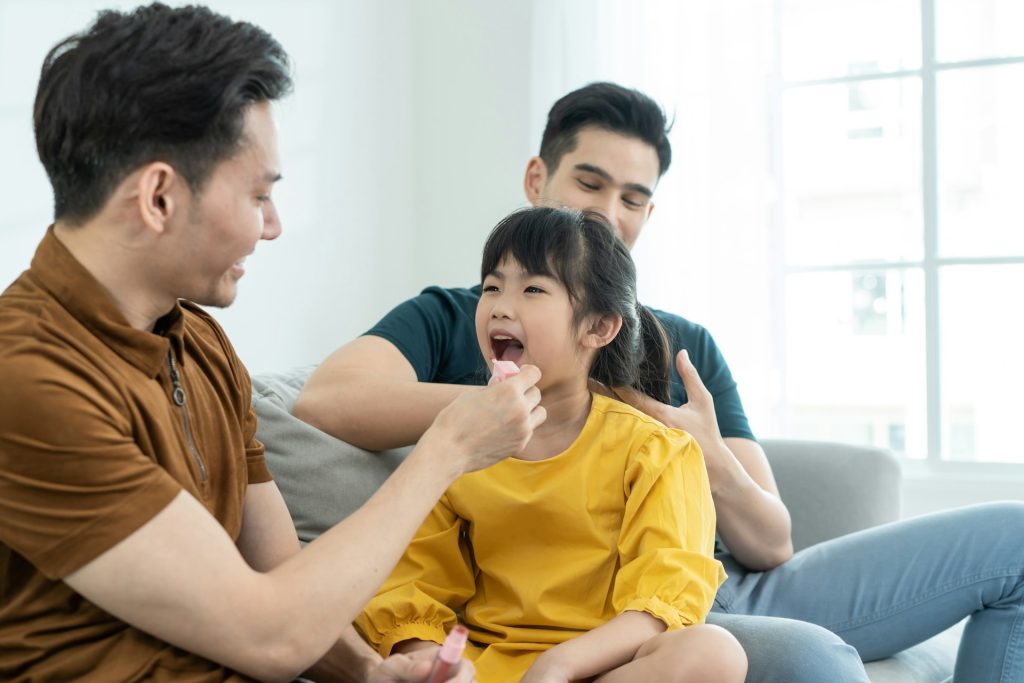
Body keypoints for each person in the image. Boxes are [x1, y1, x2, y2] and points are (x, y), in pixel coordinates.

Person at [296, 82, 1024, 682]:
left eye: (634, 196)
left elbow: (772, 540)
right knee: (807, 661)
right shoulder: (455, 322)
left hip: (703, 582)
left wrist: (705, 453)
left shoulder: (683, 344)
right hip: (559, 611)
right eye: (589, 181)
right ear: (536, 180)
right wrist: (511, 410)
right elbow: (328, 400)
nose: (608, 211)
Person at [0, 5, 547, 682]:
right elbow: (269, 633)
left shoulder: (199, 341)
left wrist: (373, 672)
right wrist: (448, 449)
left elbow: (284, 577)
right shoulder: (26, 378)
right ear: (160, 197)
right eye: (259, 194)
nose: (274, 225)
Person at [356, 207, 747, 683]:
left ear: (598, 328)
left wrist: (557, 665)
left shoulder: (656, 450)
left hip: (605, 668)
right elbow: (414, 585)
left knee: (715, 652)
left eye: (533, 289)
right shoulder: (460, 443)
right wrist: (428, 658)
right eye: (492, 287)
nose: (500, 305)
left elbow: (665, 601)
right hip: (485, 670)